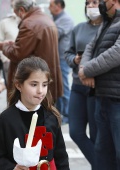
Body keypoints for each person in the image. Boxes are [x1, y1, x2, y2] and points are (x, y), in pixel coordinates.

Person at [0, 56, 69, 170]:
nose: (40, 90)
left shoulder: (51, 117)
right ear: (19, 85)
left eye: (44, 85)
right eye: (34, 84)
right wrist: (12, 168)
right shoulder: (5, 120)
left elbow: (61, 157)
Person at [78, 0, 120, 169]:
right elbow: (90, 47)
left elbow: (116, 53)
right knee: (103, 153)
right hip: (102, 98)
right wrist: (84, 68)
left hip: (117, 100)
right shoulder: (108, 22)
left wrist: (87, 70)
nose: (100, 3)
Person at [0, 0, 63, 102]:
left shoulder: (29, 23)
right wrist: (13, 45)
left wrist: (4, 46)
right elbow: (33, 48)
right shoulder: (45, 19)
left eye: (16, 13)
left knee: (29, 116)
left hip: (33, 83)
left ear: (21, 10)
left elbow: (17, 54)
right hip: (43, 80)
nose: (17, 17)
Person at [65, 0, 102, 169]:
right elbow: (67, 53)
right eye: (88, 3)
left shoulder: (109, 28)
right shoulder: (78, 28)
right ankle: (102, 165)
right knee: (75, 132)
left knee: (96, 136)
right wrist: (75, 59)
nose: (91, 5)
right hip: (78, 86)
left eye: (95, 2)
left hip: (97, 87)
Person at [49, 0, 74, 124]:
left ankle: (67, 115)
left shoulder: (66, 19)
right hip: (56, 58)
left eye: (51, 5)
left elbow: (54, 34)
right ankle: (60, 113)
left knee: (63, 86)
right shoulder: (54, 18)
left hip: (62, 58)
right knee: (58, 86)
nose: (49, 8)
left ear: (58, 6)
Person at [0, 0, 19, 87]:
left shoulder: (30, 22)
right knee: (12, 93)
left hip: (27, 63)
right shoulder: (5, 22)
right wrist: (5, 60)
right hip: (9, 62)